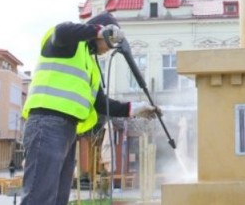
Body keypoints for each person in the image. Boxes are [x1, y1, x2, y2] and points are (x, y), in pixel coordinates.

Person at [20, 12, 161, 205]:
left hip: (68, 130)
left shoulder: (91, 67)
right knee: (40, 197)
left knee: (58, 198)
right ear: (100, 33)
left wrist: (134, 109)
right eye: (109, 43)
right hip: (46, 123)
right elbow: (62, 31)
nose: (108, 50)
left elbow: (101, 104)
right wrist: (99, 31)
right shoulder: (68, 43)